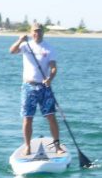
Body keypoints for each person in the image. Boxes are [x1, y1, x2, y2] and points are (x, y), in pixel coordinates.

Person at [9, 22, 63, 155]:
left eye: (39, 31)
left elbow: (54, 67)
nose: (36, 33)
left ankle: (57, 146)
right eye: (34, 31)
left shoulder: (49, 48)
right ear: (31, 32)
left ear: (43, 32)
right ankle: (27, 146)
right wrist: (20, 39)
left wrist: (50, 79)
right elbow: (12, 51)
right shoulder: (25, 46)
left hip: (44, 87)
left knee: (51, 116)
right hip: (28, 87)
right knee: (28, 118)